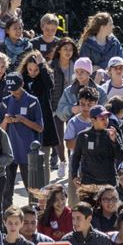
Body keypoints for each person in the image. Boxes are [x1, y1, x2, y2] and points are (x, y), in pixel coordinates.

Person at [0, 72, 44, 208]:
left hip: (27, 152)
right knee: (6, 191)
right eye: (11, 89)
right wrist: (6, 121)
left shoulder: (32, 101)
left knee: (33, 190)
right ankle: (6, 218)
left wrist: (23, 120)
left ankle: (35, 216)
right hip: (9, 151)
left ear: (22, 85)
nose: (14, 92)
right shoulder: (6, 101)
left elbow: (40, 127)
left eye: (16, 89)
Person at [18, 50, 57, 184]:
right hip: (27, 124)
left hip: (44, 122)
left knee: (44, 159)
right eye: (30, 69)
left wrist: (42, 65)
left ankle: (45, 187)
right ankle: (32, 188)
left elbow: (51, 85)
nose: (33, 72)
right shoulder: (22, 79)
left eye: (36, 69)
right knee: (28, 159)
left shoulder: (44, 77)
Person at [71, 106, 123, 189]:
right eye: (102, 119)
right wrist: (74, 175)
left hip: (109, 182)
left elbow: (122, 157)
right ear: (93, 120)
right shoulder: (83, 136)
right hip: (88, 182)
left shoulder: (112, 134)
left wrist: (115, 142)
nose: (106, 121)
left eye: (107, 118)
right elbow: (76, 157)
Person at [49, 36, 79, 178]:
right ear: (59, 50)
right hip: (56, 104)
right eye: (65, 49)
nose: (68, 52)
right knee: (58, 136)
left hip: (74, 105)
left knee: (72, 135)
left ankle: (72, 161)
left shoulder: (77, 65)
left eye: (71, 49)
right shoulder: (52, 65)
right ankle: (62, 162)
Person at [55, 57, 107, 121]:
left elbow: (105, 111)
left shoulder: (100, 91)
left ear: (88, 72)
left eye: (82, 71)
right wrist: (71, 109)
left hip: (94, 126)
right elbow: (59, 112)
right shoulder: (68, 91)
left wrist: (92, 110)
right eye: (77, 71)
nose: (79, 74)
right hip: (74, 126)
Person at [78, 12, 123, 80]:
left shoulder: (115, 43)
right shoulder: (87, 44)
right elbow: (82, 66)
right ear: (102, 27)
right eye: (111, 24)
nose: (113, 27)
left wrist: (109, 69)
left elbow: (122, 61)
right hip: (92, 83)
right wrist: (93, 68)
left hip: (112, 82)